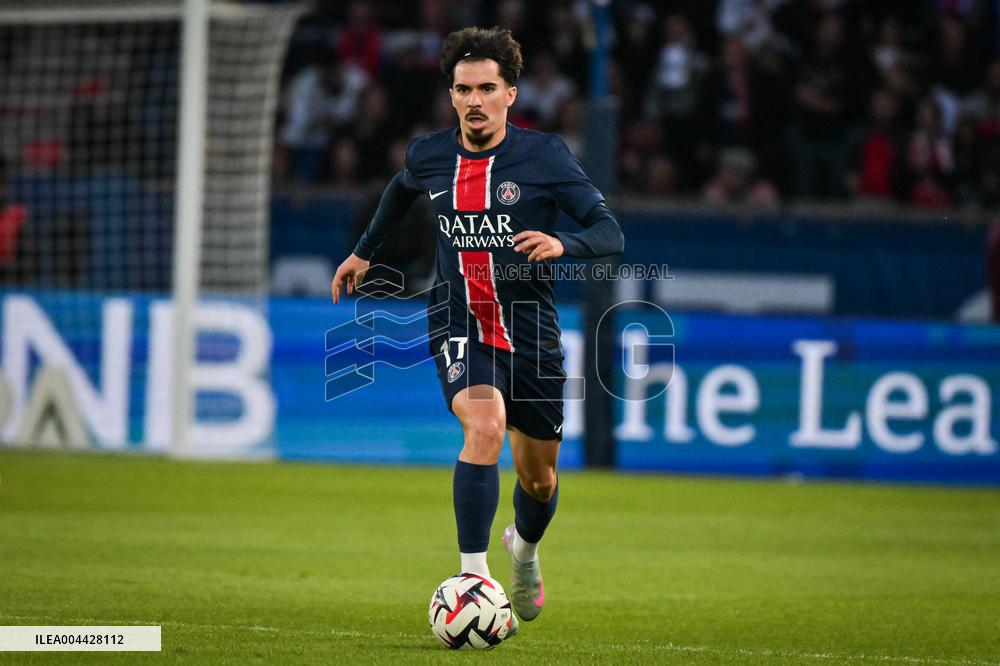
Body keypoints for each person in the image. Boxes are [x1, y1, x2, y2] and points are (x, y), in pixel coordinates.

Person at [330, 26, 624, 633]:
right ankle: (474, 576)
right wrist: (363, 253)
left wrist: (563, 242)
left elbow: (609, 232)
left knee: (539, 480)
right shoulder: (430, 154)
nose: (474, 100)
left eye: (487, 88)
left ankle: (523, 550)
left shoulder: (544, 158)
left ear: (510, 94)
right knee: (484, 426)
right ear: (452, 94)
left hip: (532, 331)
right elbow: (399, 192)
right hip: (458, 317)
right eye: (463, 89)